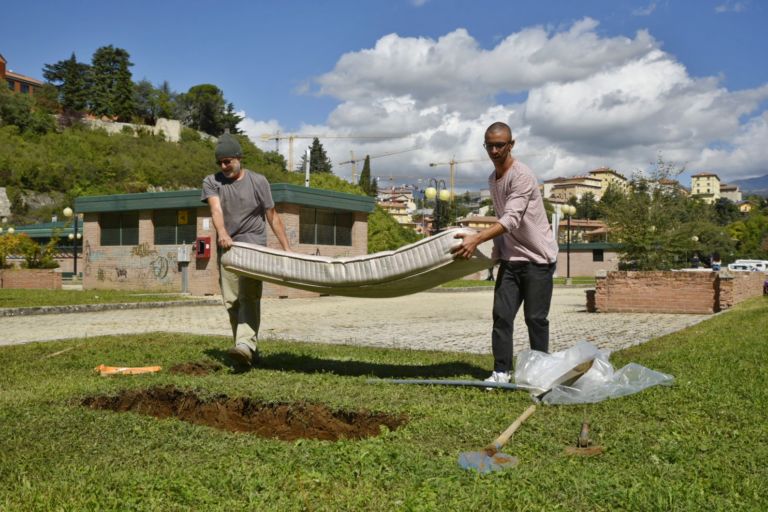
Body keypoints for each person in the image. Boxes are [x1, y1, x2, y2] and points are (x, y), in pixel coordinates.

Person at [452, 122, 558, 385]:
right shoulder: (492, 179)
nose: (495, 150)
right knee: (501, 315)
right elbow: (502, 217)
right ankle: (501, 371)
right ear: (485, 146)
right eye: (490, 145)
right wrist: (496, 254)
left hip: (537, 259)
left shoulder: (522, 175)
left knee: (535, 318)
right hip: (511, 261)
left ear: (512, 144)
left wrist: (477, 238)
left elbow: (511, 219)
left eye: (501, 144)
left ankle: (539, 370)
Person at [201, 133, 292, 367]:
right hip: (228, 246)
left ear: (239, 158)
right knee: (231, 301)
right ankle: (246, 349)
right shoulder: (212, 182)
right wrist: (221, 233)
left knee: (249, 297)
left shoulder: (259, 182)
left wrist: (287, 250)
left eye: (228, 161)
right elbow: (216, 211)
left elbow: (273, 217)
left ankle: (244, 345)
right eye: (220, 162)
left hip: (253, 247)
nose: (224, 166)